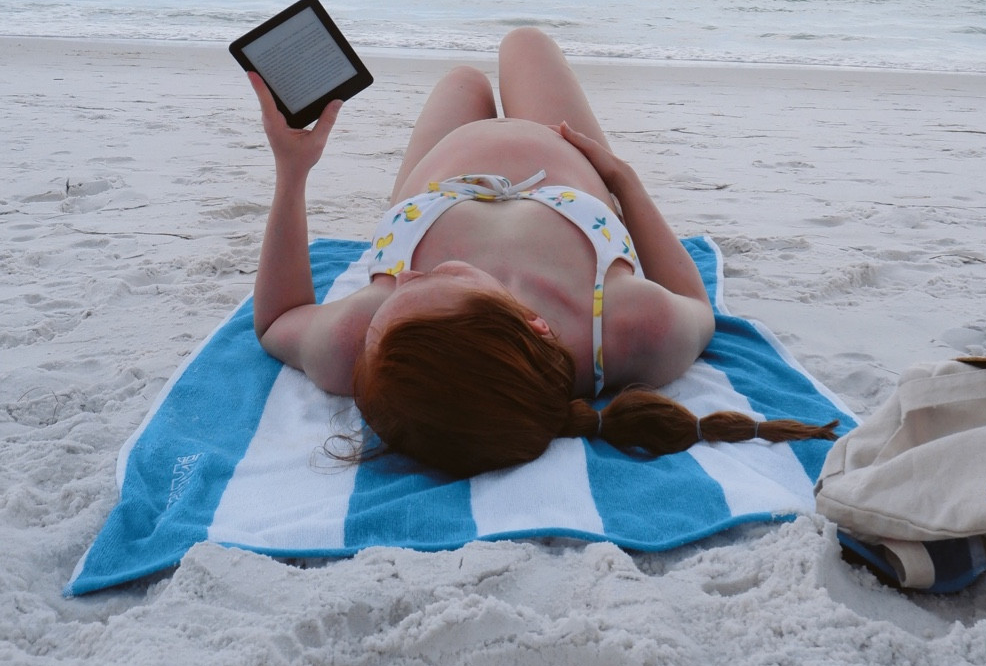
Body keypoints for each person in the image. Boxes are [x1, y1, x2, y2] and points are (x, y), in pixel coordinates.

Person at [249, 26, 837, 475]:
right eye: (419, 292)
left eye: (390, 297)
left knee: (464, 81)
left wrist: (292, 170)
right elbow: (697, 305)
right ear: (531, 324)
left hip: (435, 178)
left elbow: (278, 318)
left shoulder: (370, 345)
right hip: (562, 155)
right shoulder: (627, 326)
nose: (399, 282)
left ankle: (470, 99)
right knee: (524, 43)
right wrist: (624, 181)